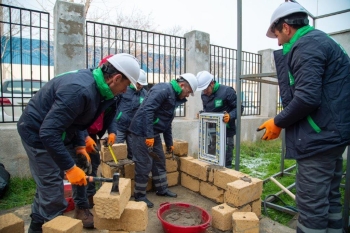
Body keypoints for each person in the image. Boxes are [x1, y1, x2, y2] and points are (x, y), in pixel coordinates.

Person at [17, 53, 140, 233]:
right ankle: (54, 226)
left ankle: (35, 228)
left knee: (48, 185)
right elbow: (48, 132)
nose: (125, 91)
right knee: (53, 194)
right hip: (37, 134)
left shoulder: (100, 90)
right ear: (116, 78)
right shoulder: (80, 89)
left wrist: (80, 146)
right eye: (126, 85)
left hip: (59, 133)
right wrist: (69, 168)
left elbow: (77, 121)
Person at [258, 2, 350, 233]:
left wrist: (277, 122)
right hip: (331, 136)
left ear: (287, 28)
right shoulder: (321, 40)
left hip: (318, 140)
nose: (278, 42)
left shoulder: (307, 45)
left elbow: (308, 97)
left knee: (311, 207)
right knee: (329, 199)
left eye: (277, 34)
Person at [128, 73, 198, 208]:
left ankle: (162, 189)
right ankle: (140, 196)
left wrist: (169, 143)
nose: (188, 95)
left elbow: (167, 122)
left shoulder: (173, 96)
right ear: (182, 85)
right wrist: (148, 136)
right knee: (144, 164)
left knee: (159, 159)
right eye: (188, 92)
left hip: (152, 133)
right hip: (140, 132)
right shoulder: (163, 90)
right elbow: (147, 111)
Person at [72, 54, 119, 228]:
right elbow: (77, 117)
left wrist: (112, 132)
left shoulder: (114, 92)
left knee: (95, 164)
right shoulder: (89, 88)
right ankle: (80, 207)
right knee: (82, 167)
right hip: (78, 132)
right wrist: (83, 137)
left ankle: (91, 198)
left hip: (93, 135)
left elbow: (112, 115)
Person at [196, 71, 244, 168]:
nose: (204, 92)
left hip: (227, 131)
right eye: (202, 90)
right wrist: (202, 114)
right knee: (212, 157)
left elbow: (240, 107)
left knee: (225, 157)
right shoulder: (204, 94)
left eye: (205, 89)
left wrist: (230, 115)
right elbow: (207, 110)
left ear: (212, 84)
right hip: (212, 131)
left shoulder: (227, 91)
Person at [115, 69, 148, 159]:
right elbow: (114, 104)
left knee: (133, 152)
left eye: (142, 84)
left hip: (133, 129)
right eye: (138, 83)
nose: (140, 86)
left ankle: (130, 170)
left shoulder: (145, 94)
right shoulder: (124, 89)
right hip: (119, 126)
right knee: (116, 150)